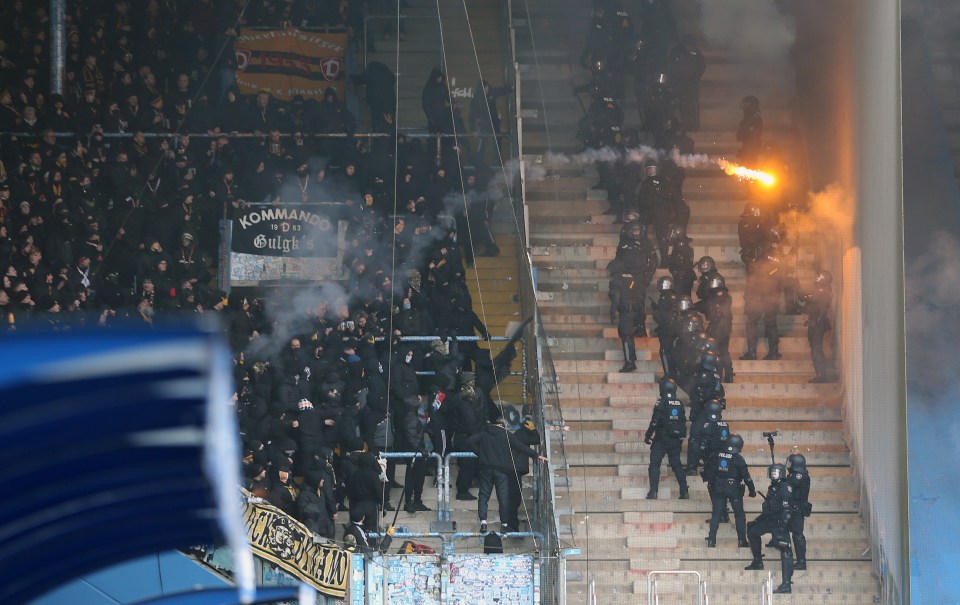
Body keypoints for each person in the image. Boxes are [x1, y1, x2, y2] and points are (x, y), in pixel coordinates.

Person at [469, 415, 547, 533]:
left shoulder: (484, 433)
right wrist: (536, 455)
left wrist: (481, 454)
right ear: (503, 425)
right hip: (502, 470)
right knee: (503, 497)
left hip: (486, 469)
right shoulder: (506, 435)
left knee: (484, 496)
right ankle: (504, 525)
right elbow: (521, 446)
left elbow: (470, 441)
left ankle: (483, 523)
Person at [745, 464, 795, 594]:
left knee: (785, 551)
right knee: (752, 530)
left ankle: (786, 584)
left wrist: (783, 527)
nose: (773, 474)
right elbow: (769, 506)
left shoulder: (785, 487)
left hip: (779, 523)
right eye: (772, 472)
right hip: (769, 519)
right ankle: (757, 561)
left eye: (776, 473)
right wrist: (758, 519)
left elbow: (787, 511)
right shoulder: (773, 486)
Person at [705, 433, 754, 548]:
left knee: (716, 514)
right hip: (734, 489)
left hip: (719, 487)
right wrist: (752, 490)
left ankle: (711, 540)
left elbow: (710, 473)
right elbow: (746, 477)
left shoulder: (717, 455)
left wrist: (713, 486)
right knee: (739, 515)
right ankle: (742, 540)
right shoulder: (738, 459)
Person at [643, 378, 689, 499]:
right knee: (677, 465)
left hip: (661, 439)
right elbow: (683, 421)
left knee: (654, 464)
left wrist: (648, 435)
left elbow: (655, 422)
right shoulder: (679, 404)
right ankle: (684, 491)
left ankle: (653, 491)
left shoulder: (661, 403)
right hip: (675, 439)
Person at [742, 248, 782, 360]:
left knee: (754, 323)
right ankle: (772, 352)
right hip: (769, 295)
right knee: (769, 324)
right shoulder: (773, 257)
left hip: (761, 295)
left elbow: (778, 271)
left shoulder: (762, 255)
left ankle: (753, 353)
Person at [799, 269, 837, 383]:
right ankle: (829, 374)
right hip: (819, 323)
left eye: (818, 276)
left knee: (816, 350)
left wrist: (801, 295)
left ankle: (822, 375)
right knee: (822, 349)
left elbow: (809, 302)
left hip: (817, 324)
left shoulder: (822, 291)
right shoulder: (825, 291)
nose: (815, 278)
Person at [786, 453, 812, 570]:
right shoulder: (795, 475)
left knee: (797, 535)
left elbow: (790, 484)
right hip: (792, 508)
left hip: (797, 510)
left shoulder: (799, 477)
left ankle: (801, 561)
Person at [651, 275, 679, 379]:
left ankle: (669, 374)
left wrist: (655, 310)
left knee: (665, 351)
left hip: (667, 329)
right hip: (673, 329)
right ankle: (673, 373)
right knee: (671, 351)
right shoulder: (673, 297)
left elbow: (663, 316)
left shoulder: (665, 298)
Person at [737, 95, 763, 164]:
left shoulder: (755, 119)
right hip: (747, 149)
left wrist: (748, 153)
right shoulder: (746, 119)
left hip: (751, 152)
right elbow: (739, 137)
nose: (744, 109)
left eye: (746, 106)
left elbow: (754, 138)